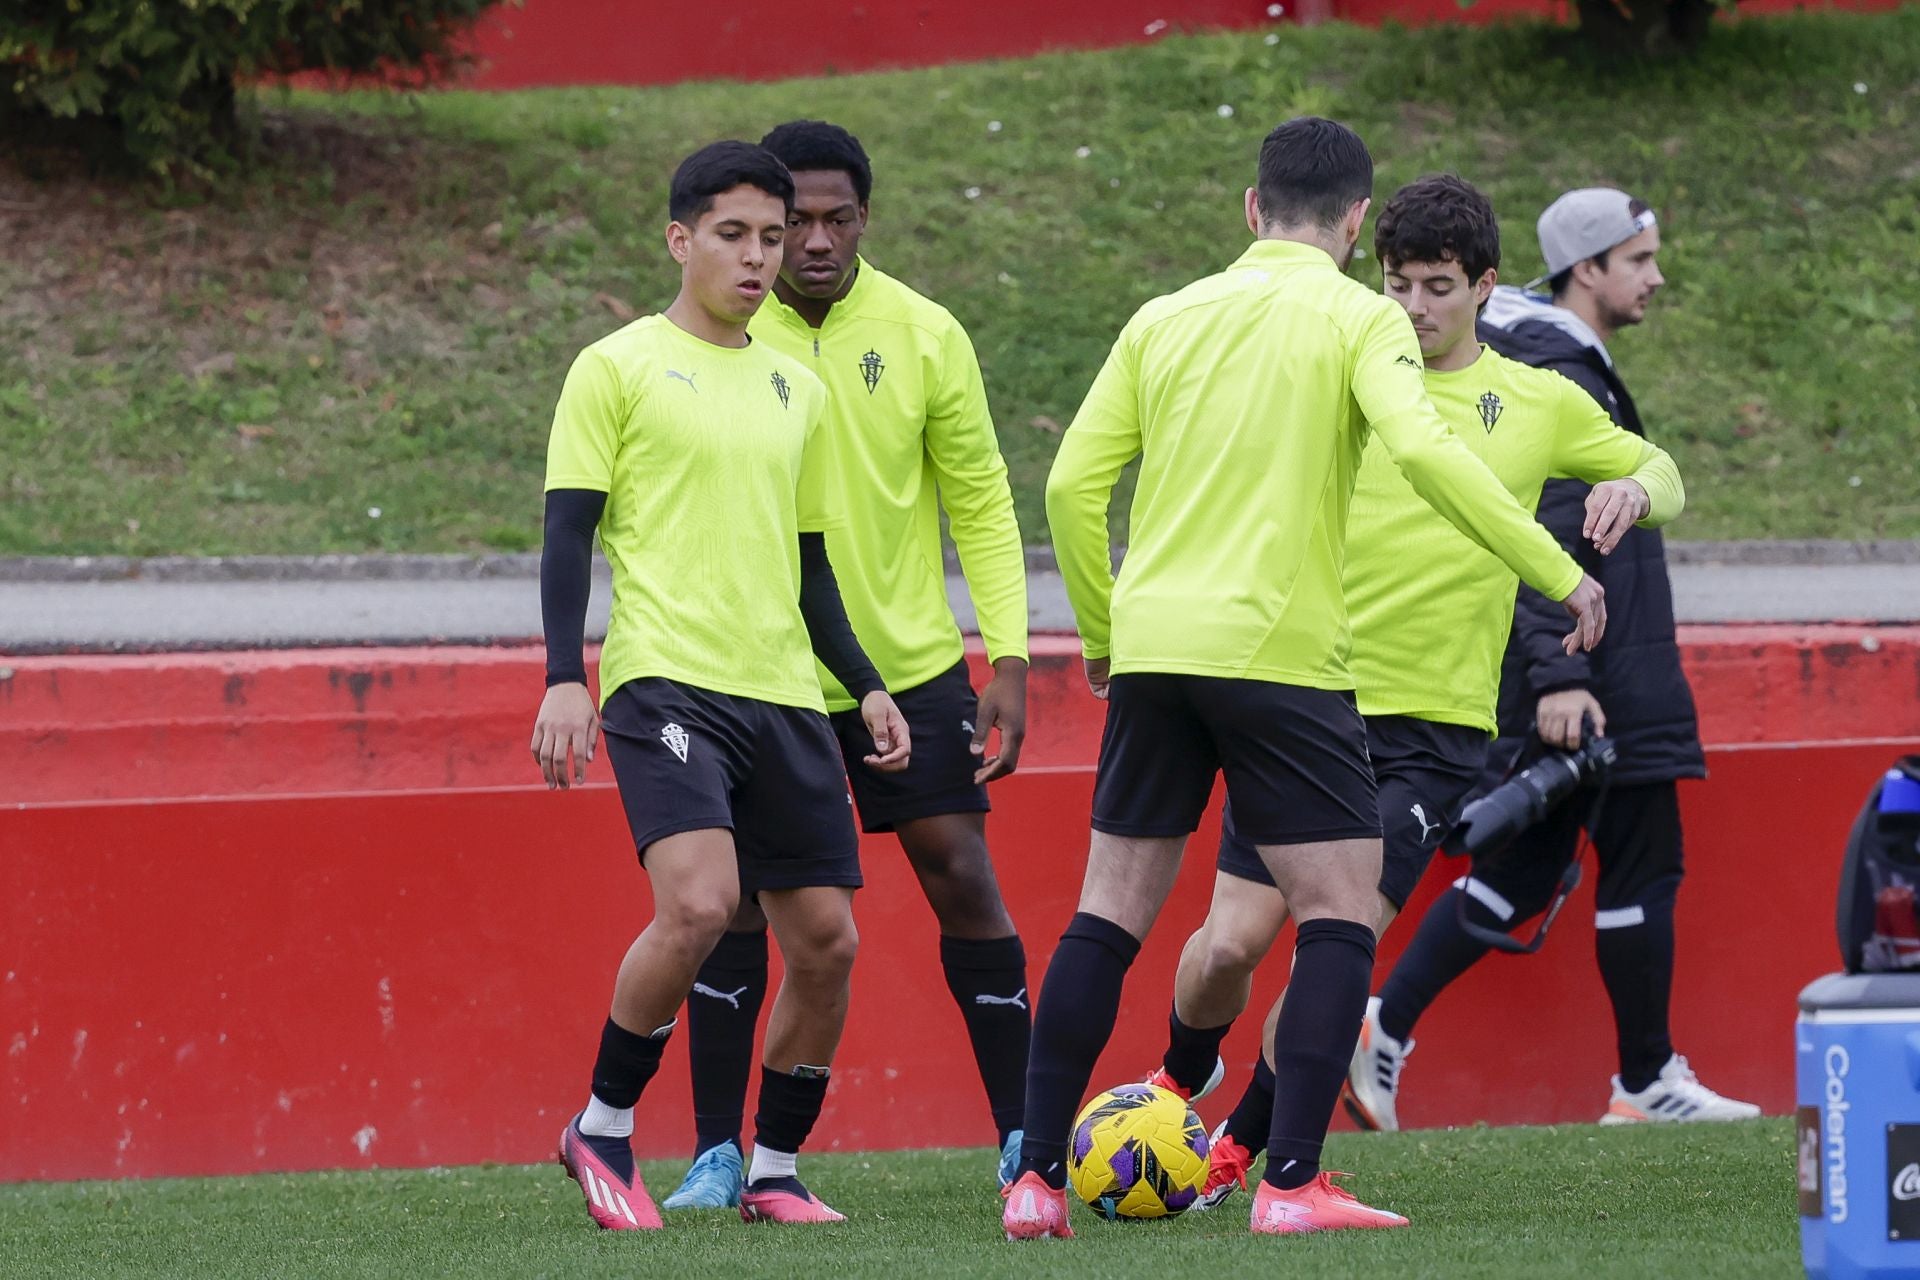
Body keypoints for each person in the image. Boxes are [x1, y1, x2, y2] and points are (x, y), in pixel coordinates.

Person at [1001, 118, 1607, 1242]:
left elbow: (1074, 486)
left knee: (1108, 913)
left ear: (1249, 208)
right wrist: (1558, 569)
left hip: (1156, 648)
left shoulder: (1164, 315)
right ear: (1355, 224)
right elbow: (1427, 455)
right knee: (1336, 914)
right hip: (1283, 658)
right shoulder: (1360, 315)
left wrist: (1100, 632)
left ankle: (1035, 1180)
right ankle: (1289, 1182)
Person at [1143, 174, 1688, 1207]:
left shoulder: (1536, 397)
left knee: (1336, 942)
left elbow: (1662, 465)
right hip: (1306, 702)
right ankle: (1177, 1074)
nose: (1413, 307)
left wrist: (1634, 484)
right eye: (1395, 283)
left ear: (1485, 287)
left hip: (1434, 731)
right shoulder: (1340, 372)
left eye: (1437, 285)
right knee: (1227, 945)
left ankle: (1243, 1153)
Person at [532, 139, 913, 1230]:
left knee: (828, 939)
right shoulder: (615, 366)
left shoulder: (799, 383)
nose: (761, 257)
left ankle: (777, 1166)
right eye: (735, 235)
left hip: (786, 694)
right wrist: (566, 675)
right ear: (680, 240)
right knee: (699, 903)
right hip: (668, 683)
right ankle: (602, 1126)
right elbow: (568, 534)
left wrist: (866, 683)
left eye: (773, 236)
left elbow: (808, 562)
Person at [660, 119, 1035, 1210]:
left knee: (963, 875)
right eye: (796, 221)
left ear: (866, 218)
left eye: (837, 218)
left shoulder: (925, 333)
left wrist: (1006, 652)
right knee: (736, 911)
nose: (813, 241)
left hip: (909, 669)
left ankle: (1021, 1136)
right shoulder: (723, 331)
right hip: (763, 670)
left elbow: (981, 501)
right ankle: (717, 1155)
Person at [1346, 187, 1760, 1132]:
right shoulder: (1538, 374)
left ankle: (1388, 1025)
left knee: (1528, 867)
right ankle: (1644, 1079)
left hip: (1591, 663)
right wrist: (1561, 674)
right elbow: (1529, 527)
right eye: (1639, 259)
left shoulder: (1547, 364)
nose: (1656, 277)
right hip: (1594, 671)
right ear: (1589, 268)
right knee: (1642, 863)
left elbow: (1636, 485)